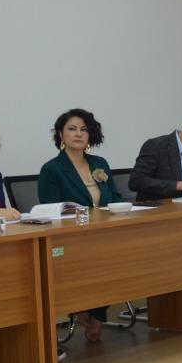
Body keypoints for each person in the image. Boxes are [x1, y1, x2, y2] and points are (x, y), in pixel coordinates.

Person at [37, 108, 120, 342]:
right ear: (61, 135)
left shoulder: (99, 163)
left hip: (102, 233)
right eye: (72, 129)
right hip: (70, 238)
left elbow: (114, 196)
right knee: (102, 258)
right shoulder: (52, 169)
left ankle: (94, 313)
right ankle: (91, 312)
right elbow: (50, 208)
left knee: (120, 254)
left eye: (84, 130)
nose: (78, 134)